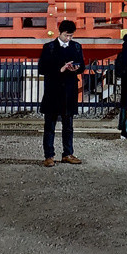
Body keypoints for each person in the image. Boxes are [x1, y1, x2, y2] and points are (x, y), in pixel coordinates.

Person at [38, 19, 85, 167]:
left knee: (68, 125)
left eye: (71, 36)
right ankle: (49, 155)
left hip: (69, 90)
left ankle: (67, 153)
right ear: (60, 33)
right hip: (53, 89)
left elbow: (82, 65)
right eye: (66, 35)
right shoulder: (49, 47)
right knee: (50, 125)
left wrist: (76, 68)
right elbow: (42, 69)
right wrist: (60, 69)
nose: (68, 38)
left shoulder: (77, 47)